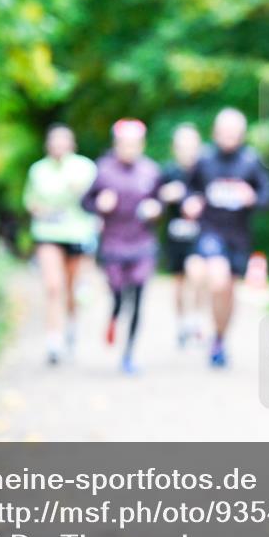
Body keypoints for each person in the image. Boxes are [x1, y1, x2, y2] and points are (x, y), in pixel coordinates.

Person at [182, 108, 269, 368]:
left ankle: (220, 339)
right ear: (215, 132)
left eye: (234, 131)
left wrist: (253, 198)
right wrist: (190, 202)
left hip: (239, 237)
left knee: (227, 291)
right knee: (217, 277)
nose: (228, 136)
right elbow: (189, 188)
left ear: (242, 134)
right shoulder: (204, 159)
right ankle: (197, 321)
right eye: (224, 131)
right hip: (211, 232)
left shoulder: (250, 161)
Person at [81, 119, 163, 375]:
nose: (130, 149)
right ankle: (114, 316)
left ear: (142, 145)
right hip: (114, 244)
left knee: (138, 296)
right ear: (116, 144)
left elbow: (160, 202)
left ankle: (128, 355)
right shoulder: (103, 170)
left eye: (134, 144)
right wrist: (99, 206)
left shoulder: (151, 170)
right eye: (125, 144)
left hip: (142, 243)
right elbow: (85, 202)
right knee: (118, 296)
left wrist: (156, 209)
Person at [23, 123, 98, 366]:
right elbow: (30, 201)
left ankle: (71, 328)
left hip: (77, 233)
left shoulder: (85, 168)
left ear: (71, 144)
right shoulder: (38, 170)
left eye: (62, 141)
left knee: (72, 288)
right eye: (54, 141)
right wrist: (40, 209)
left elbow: (94, 199)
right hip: (48, 232)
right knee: (53, 287)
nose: (58, 146)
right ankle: (53, 341)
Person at [158, 123, 206, 348]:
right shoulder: (168, 171)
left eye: (191, 146)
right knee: (178, 281)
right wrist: (165, 196)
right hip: (175, 234)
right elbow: (154, 198)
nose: (187, 151)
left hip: (200, 233)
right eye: (182, 147)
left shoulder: (205, 171)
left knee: (197, 275)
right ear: (174, 148)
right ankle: (181, 323)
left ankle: (195, 320)